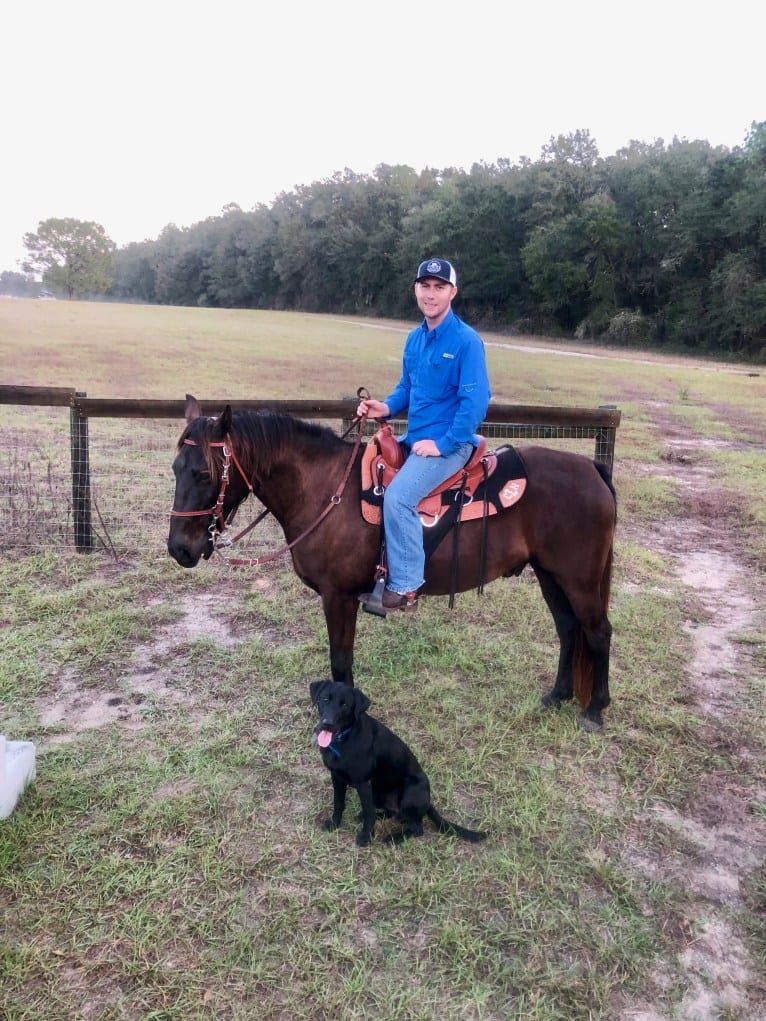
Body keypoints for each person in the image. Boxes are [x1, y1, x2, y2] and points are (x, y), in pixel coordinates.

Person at [358, 257, 491, 612]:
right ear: (416, 289)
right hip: (415, 439)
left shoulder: (466, 341)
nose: (431, 295)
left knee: (398, 497)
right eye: (425, 286)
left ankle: (405, 585)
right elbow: (406, 387)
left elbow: (475, 402)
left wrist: (445, 443)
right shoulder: (415, 339)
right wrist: (385, 407)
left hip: (450, 445)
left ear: (453, 293)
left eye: (439, 287)